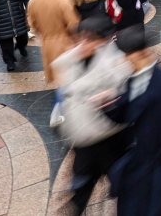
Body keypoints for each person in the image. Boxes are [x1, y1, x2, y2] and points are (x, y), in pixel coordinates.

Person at [97, 26, 161, 216]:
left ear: (141, 53)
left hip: (159, 170)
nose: (123, 59)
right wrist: (108, 104)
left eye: (126, 55)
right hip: (139, 161)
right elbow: (125, 113)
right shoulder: (134, 78)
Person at [52, 15, 132, 215]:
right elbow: (63, 88)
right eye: (82, 38)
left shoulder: (116, 63)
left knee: (123, 185)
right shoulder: (71, 59)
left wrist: (110, 96)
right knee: (81, 189)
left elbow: (125, 94)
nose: (84, 43)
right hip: (83, 140)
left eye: (90, 39)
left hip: (110, 138)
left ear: (103, 40)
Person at [27, 0, 80, 125]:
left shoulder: (34, 0)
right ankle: (58, 112)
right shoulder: (64, 0)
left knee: (60, 78)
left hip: (47, 43)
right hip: (65, 43)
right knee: (66, 78)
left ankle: (61, 111)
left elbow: (33, 25)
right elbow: (73, 25)